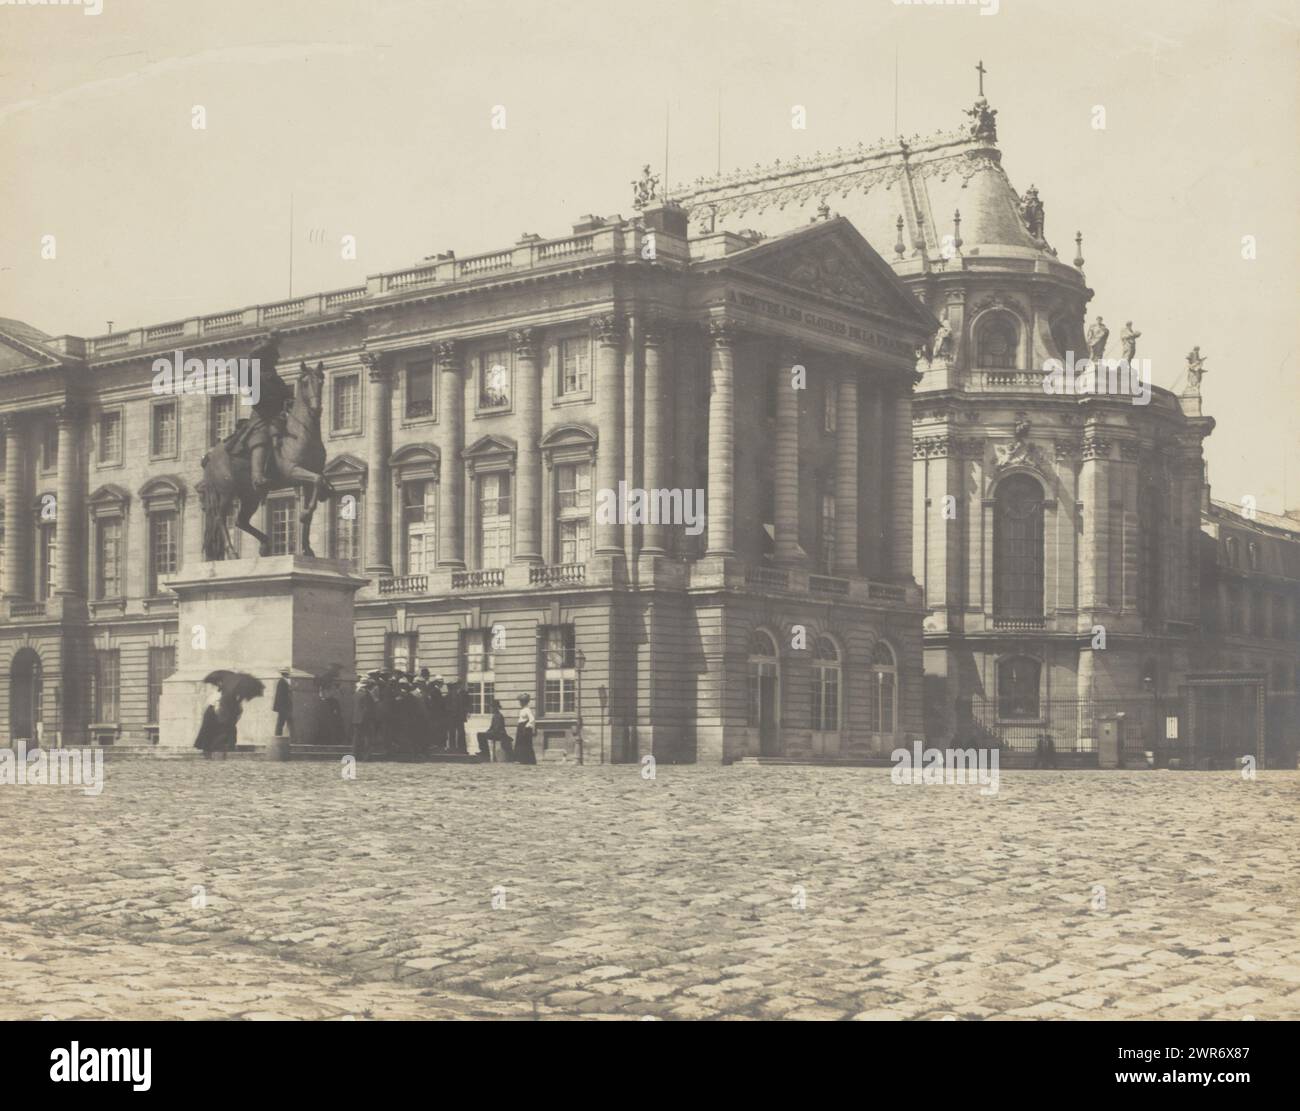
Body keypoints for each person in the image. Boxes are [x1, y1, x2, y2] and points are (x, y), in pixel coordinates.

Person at [478, 698, 512, 763]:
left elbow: (497, 729)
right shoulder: (495, 715)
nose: (491, 709)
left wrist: (488, 733)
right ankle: (484, 752)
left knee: (480, 735)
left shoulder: (499, 716)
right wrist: (487, 732)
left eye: (492, 707)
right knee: (480, 734)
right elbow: (491, 727)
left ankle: (485, 753)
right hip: (495, 733)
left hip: (500, 734)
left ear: (496, 708)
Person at [514, 693, 537, 765]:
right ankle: (521, 759)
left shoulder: (527, 709)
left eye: (521, 701)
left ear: (525, 702)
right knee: (520, 743)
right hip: (520, 727)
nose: (520, 703)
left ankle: (528, 760)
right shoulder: (522, 709)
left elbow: (532, 719)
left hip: (525, 728)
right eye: (520, 701)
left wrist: (527, 726)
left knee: (525, 744)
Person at [272, 667, 293, 739]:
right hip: (283, 707)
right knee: (280, 723)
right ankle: (278, 737)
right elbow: (281, 696)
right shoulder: (282, 682)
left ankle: (279, 737)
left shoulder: (284, 681)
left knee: (283, 722)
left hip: (284, 706)